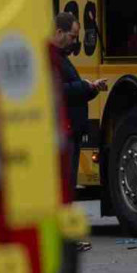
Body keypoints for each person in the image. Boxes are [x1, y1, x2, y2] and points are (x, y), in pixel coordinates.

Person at [52, 11, 107, 192]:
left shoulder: (61, 58)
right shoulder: (51, 58)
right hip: (63, 131)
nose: (75, 42)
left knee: (68, 184)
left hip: (70, 131)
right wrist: (84, 86)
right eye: (72, 36)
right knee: (64, 185)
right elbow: (57, 91)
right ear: (59, 32)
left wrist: (91, 88)